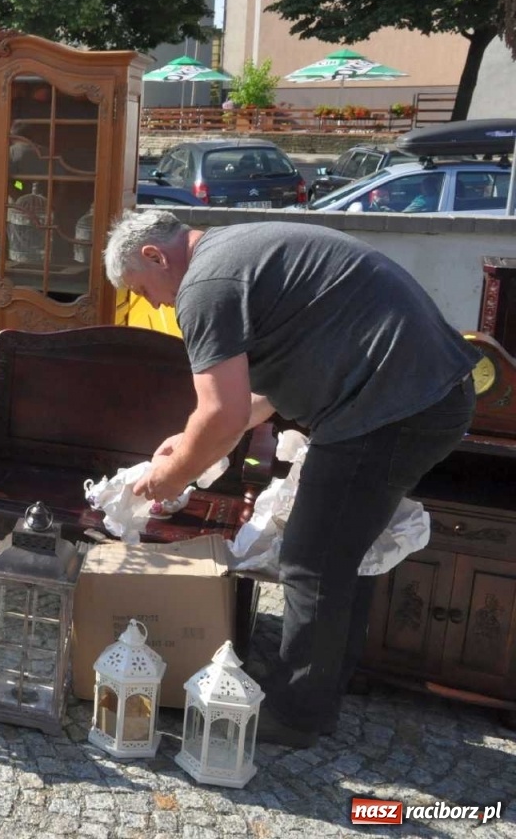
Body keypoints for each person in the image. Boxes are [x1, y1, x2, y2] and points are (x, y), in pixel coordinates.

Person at [102, 210, 477, 747]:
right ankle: (323, 691)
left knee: (312, 556)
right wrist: (183, 448)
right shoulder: (237, 252)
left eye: (144, 289)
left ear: (156, 256)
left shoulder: (204, 286)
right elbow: (260, 397)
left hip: (394, 407)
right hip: (422, 394)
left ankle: (298, 714)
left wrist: (172, 476)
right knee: (340, 548)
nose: (154, 304)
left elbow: (221, 415)